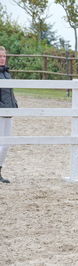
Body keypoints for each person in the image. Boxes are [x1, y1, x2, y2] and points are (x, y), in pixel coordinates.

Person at [0, 46, 18, 183]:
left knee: (6, 144)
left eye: (4, 56)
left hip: (8, 112)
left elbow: (10, 92)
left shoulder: (7, 73)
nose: (2, 59)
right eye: (0, 56)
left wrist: (14, 104)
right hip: (0, 112)